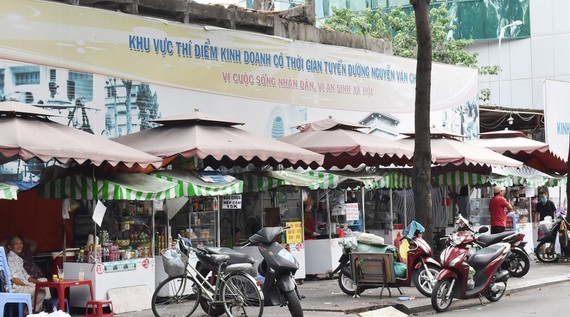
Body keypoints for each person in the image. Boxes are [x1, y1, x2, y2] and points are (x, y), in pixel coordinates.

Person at [6, 235, 51, 313]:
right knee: (41, 291)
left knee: (44, 281)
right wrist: (30, 286)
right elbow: (14, 280)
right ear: (10, 247)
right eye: (16, 244)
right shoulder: (10, 258)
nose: (19, 246)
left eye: (21, 243)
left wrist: (39, 283)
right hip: (16, 288)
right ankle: (31, 311)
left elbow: (27, 277)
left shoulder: (18, 259)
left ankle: (33, 309)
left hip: (23, 284)